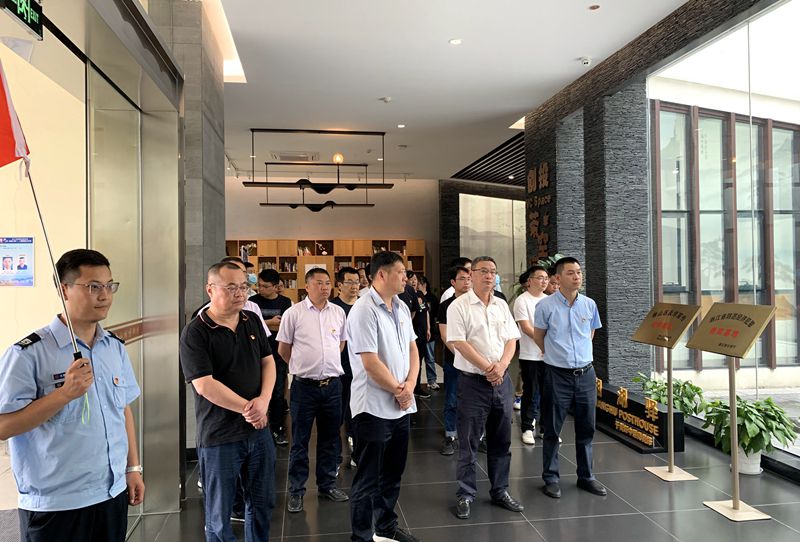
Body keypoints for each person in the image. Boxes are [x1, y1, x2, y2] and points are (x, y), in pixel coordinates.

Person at [0, 249, 144, 541]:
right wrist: (64, 395)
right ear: (64, 289)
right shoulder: (28, 353)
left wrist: (133, 467)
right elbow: (3, 426)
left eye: (109, 286)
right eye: (93, 287)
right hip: (58, 505)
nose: (105, 296)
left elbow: (122, 409)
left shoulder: (113, 347)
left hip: (111, 494)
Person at [180, 262, 277, 540]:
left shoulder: (251, 320)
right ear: (210, 289)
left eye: (244, 287)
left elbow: (268, 362)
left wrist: (264, 401)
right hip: (220, 434)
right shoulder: (196, 331)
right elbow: (204, 385)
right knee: (219, 514)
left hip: (258, 430)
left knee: (261, 504)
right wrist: (249, 409)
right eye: (231, 287)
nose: (240, 293)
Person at [346, 251, 420, 542]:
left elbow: (413, 348)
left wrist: (410, 385)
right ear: (381, 275)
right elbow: (370, 362)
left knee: (392, 473)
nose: (406, 278)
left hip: (401, 406)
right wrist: (399, 391)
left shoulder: (401, 306)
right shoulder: (364, 309)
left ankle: (385, 529)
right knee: (368, 478)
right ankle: (362, 536)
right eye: (400, 273)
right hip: (373, 408)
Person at [447, 256, 523, 520]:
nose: (489, 276)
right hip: (473, 383)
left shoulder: (501, 304)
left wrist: (501, 366)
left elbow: (511, 339)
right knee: (469, 441)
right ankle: (466, 493)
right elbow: (459, 343)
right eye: (483, 271)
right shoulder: (459, 306)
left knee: (501, 440)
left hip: (502, 381)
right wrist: (488, 368)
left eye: (493, 271)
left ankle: (500, 490)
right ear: (472, 275)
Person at [277, 268, 349, 513]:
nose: (325, 287)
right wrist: (303, 367)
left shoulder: (338, 312)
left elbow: (341, 343)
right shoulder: (293, 313)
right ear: (307, 286)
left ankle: (327, 485)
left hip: (332, 386)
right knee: (300, 440)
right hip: (304, 388)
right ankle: (296, 490)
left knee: (330, 438)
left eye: (327, 283)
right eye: (319, 283)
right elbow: (283, 350)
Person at [533, 257, 606, 499]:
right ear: (557, 278)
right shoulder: (545, 306)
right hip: (557, 374)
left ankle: (587, 476)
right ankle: (551, 478)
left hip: (586, 373)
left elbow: (590, 334)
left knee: (587, 428)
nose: (577, 277)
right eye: (571, 273)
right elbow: (539, 336)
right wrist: (557, 355)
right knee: (552, 429)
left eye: (579, 272)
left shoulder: (589, 304)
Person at [250, 268, 293, 446]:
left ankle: (277, 429)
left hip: (278, 353)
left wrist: (263, 324)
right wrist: (269, 323)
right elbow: (251, 325)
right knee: (256, 391)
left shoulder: (285, 302)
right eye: (259, 285)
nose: (260, 289)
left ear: (276, 287)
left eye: (265, 286)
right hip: (256, 354)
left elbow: (284, 326)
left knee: (277, 393)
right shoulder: (252, 302)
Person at [437, 266, 472, 455]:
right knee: (452, 398)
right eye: (462, 279)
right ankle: (450, 435)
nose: (467, 282)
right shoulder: (446, 305)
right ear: (453, 282)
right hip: (454, 359)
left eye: (469, 278)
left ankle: (477, 436)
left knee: (475, 400)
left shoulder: (476, 303)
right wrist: (462, 355)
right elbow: (445, 335)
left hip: (477, 362)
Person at [513, 266, 549, 445]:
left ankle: (545, 428)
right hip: (531, 355)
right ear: (530, 281)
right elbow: (526, 328)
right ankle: (527, 427)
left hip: (549, 355)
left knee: (548, 393)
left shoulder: (549, 300)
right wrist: (545, 344)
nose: (544, 281)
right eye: (540, 277)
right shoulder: (522, 300)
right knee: (531, 392)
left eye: (546, 278)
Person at [331, 266, 360, 468]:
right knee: (336, 416)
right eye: (349, 282)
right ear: (339, 285)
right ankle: (334, 459)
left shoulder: (364, 306)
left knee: (357, 415)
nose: (354, 286)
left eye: (356, 282)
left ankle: (357, 451)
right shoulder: (332, 307)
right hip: (338, 369)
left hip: (361, 369)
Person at [416, 275, 439, 391]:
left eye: (418, 283)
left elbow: (433, 314)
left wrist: (430, 328)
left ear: (424, 284)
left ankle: (432, 380)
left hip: (430, 333)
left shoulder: (432, 298)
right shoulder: (415, 296)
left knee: (430, 358)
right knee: (417, 360)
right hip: (418, 332)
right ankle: (417, 383)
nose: (416, 285)